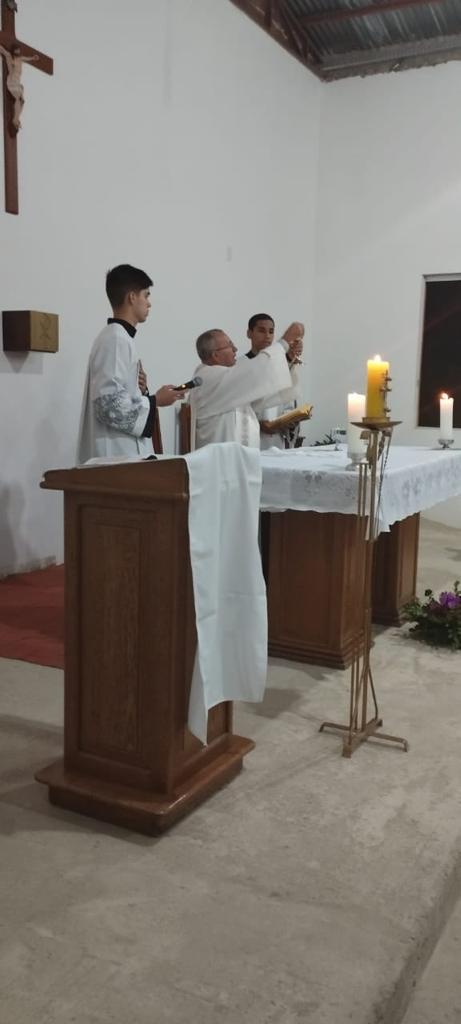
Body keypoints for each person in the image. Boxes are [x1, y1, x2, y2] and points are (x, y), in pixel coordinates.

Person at [77, 264, 181, 463]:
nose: (149, 303)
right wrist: (156, 400)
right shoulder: (115, 338)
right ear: (132, 297)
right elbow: (107, 405)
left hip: (122, 453)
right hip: (114, 455)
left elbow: (115, 395)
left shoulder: (120, 337)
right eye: (146, 295)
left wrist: (140, 390)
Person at [188, 328, 295, 449]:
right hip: (220, 458)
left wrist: (288, 360)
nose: (235, 349)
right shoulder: (207, 378)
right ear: (215, 355)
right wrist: (284, 343)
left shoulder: (228, 379)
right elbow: (254, 372)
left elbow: (261, 394)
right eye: (230, 345)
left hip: (241, 455)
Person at [245, 315, 305, 449]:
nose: (267, 336)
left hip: (276, 443)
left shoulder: (280, 366)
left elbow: (287, 401)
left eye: (271, 332)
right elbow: (237, 408)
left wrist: (288, 420)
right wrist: (259, 424)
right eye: (261, 330)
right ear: (249, 333)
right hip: (250, 440)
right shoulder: (241, 366)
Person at [0, 44, 39, 132]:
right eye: (16, 50)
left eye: (18, 50)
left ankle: (16, 119)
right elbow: (3, 51)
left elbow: (28, 58)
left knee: (22, 101)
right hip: (12, 82)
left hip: (17, 83)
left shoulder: (20, 59)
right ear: (13, 50)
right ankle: (15, 119)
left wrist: (33, 58)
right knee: (18, 99)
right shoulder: (10, 58)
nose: (18, 51)